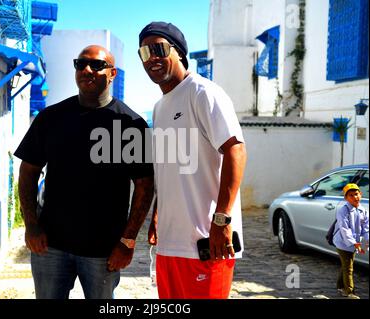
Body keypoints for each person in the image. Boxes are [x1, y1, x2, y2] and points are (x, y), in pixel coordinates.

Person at [14, 45, 154, 299]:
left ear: (113, 74)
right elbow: (28, 171)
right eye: (80, 64)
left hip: (103, 250)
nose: (87, 70)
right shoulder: (51, 118)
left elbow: (145, 186)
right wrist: (31, 226)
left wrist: (127, 241)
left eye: (97, 65)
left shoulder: (130, 125)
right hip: (51, 245)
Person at [139, 22, 247, 299]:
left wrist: (222, 220)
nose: (151, 58)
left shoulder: (203, 92)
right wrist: (158, 212)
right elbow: (168, 168)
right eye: (144, 53)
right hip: (169, 245)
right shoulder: (160, 107)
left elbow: (236, 150)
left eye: (158, 49)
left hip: (205, 244)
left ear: (179, 52)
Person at [333, 183, 369, 299]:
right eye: (351, 195)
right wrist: (354, 243)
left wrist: (364, 244)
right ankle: (349, 292)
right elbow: (345, 229)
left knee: (347, 264)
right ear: (346, 198)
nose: (355, 197)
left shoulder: (363, 211)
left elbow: (366, 229)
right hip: (343, 243)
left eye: (356, 194)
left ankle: (339, 285)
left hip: (356, 244)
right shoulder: (343, 210)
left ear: (360, 194)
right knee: (349, 267)